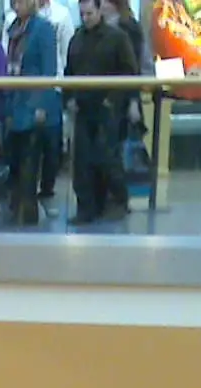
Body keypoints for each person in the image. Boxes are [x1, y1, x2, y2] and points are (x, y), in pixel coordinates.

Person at [64, 0, 137, 224]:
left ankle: (117, 200)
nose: (85, 18)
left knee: (107, 156)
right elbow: (69, 72)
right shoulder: (77, 39)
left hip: (107, 107)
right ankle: (87, 207)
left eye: (89, 13)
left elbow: (128, 72)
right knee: (83, 160)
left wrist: (113, 100)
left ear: (99, 11)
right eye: (82, 14)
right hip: (83, 107)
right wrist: (69, 99)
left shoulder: (117, 38)